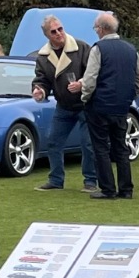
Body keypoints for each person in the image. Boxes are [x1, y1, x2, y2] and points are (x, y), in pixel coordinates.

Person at [81, 11, 139, 200]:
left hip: (99, 106)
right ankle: (126, 189)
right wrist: (130, 96)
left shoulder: (98, 49)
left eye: (96, 28)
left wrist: (85, 97)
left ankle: (108, 189)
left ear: (101, 29)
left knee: (100, 147)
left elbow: (90, 79)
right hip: (121, 106)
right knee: (121, 147)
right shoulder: (131, 49)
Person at [31, 15, 94, 191]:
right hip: (64, 105)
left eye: (60, 29)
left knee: (88, 143)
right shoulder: (43, 56)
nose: (59, 33)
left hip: (85, 104)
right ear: (47, 35)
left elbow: (93, 72)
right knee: (53, 140)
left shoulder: (81, 47)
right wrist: (39, 90)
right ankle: (56, 180)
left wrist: (81, 84)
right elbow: (41, 79)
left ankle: (90, 181)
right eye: (54, 31)